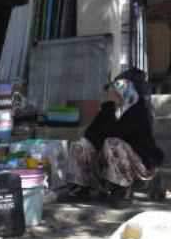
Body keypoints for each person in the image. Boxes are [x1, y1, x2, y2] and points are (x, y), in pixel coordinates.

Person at [66, 72, 164, 207]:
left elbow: (122, 134)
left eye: (114, 89)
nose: (111, 92)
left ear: (125, 90)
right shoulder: (109, 109)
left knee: (113, 143)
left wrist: (106, 129)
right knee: (81, 144)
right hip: (109, 160)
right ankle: (81, 188)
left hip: (138, 164)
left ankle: (122, 191)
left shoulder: (139, 110)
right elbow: (90, 134)